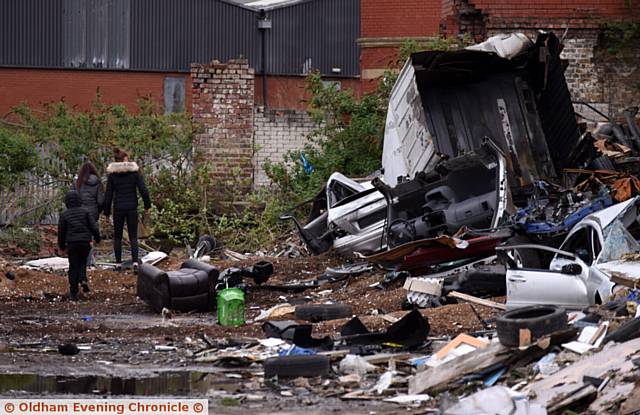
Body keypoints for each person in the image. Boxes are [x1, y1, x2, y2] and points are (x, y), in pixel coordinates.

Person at [103, 149, 151, 272]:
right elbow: (143, 190)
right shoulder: (134, 174)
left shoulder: (112, 176)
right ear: (124, 160)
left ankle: (118, 264)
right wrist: (147, 206)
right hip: (131, 208)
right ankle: (135, 262)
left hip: (118, 208)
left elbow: (108, 196)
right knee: (133, 236)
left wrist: (107, 213)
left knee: (118, 237)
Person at [58, 191, 101, 301]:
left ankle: (73, 292)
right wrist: (97, 238)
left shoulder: (64, 215)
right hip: (85, 242)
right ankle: (83, 279)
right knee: (82, 262)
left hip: (72, 243)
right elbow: (94, 227)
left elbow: (61, 233)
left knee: (73, 266)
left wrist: (62, 246)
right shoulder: (86, 212)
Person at [75, 162, 104, 291]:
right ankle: (88, 263)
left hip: (79, 213)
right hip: (92, 213)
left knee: (81, 237)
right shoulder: (97, 182)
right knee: (90, 239)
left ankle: (81, 263)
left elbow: (73, 197)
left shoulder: (78, 182)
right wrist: (99, 210)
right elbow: (100, 201)